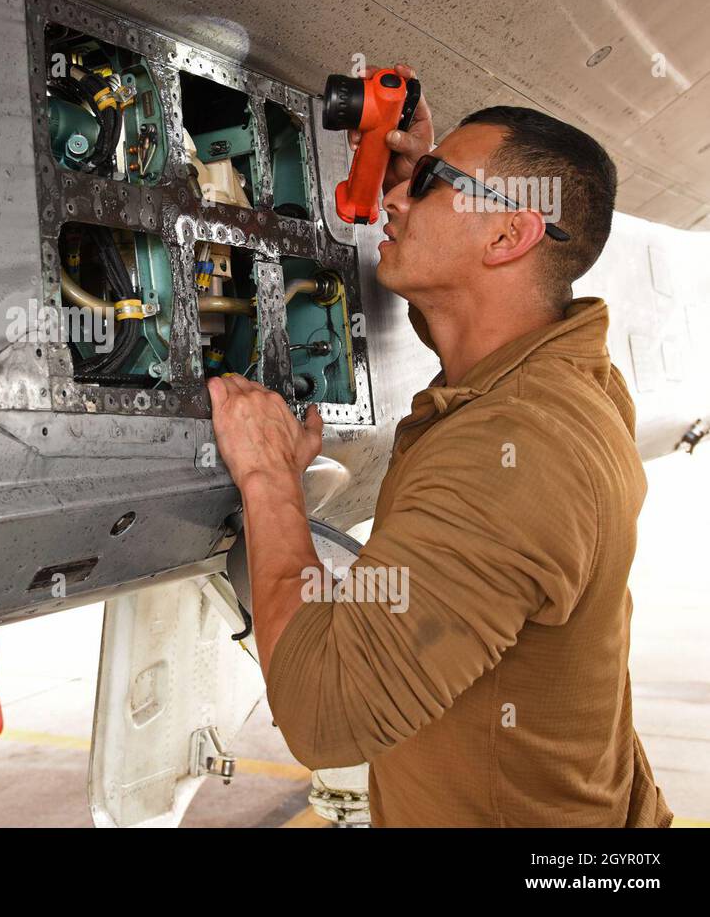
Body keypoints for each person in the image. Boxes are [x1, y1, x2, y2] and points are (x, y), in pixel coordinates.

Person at [208, 63, 673, 826]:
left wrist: (267, 481)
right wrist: (426, 173)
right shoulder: (566, 376)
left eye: (427, 186)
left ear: (510, 232)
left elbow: (324, 714)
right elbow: (474, 330)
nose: (393, 197)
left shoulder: (514, 455)